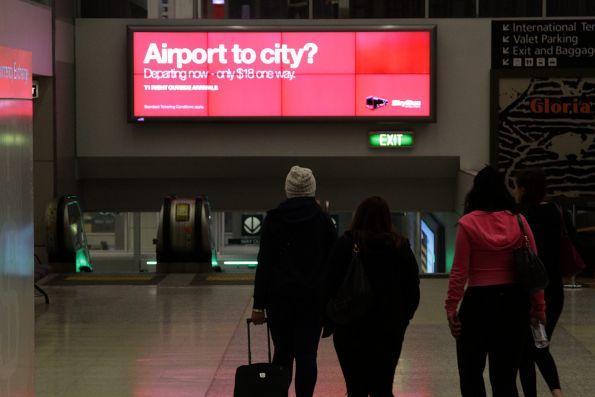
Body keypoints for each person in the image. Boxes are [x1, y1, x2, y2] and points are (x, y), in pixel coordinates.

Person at [445, 165, 546, 397]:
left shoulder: (468, 224)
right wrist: (539, 307)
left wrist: (451, 308)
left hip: (478, 303)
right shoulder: (519, 222)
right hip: (513, 304)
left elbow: (459, 272)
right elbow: (534, 270)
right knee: (505, 378)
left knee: (471, 375)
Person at [251, 165, 337, 397]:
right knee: (307, 355)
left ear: (288, 189)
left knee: (283, 353)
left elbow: (265, 264)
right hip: (313, 301)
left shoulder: (274, 219)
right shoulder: (324, 221)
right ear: (311, 189)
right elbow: (333, 266)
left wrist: (258, 305)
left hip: (279, 301)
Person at [325, 196, 420, 397]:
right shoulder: (400, 247)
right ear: (387, 219)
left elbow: (329, 285)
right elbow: (412, 289)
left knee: (355, 389)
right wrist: (403, 319)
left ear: (358, 216)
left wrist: (333, 319)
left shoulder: (346, 244)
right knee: (383, 388)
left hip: (350, 328)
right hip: (389, 329)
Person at [513, 167, 564, 397]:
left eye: (515, 186)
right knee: (540, 345)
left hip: (528, 288)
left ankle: (548, 392)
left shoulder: (520, 216)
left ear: (522, 189)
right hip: (554, 288)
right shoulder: (556, 210)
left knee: (527, 351)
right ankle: (556, 391)